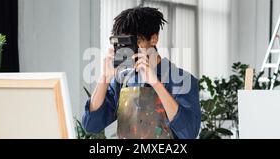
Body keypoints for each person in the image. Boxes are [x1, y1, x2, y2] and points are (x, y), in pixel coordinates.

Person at [82, 7, 201, 139]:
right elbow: (91, 124)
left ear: (154, 39)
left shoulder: (182, 79)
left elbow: (189, 132)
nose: (129, 50)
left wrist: (156, 83)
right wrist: (104, 78)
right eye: (124, 44)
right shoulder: (122, 80)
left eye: (136, 42)